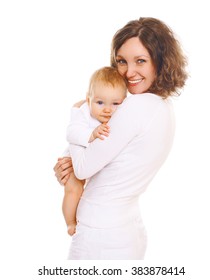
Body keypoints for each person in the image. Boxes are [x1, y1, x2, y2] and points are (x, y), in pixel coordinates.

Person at [54, 17, 187, 260]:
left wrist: (76, 122)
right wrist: (72, 162)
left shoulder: (136, 107)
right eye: (121, 61)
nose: (128, 72)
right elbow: (112, 163)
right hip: (126, 228)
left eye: (141, 61)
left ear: (160, 62)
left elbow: (82, 168)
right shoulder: (162, 106)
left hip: (101, 235)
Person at [62, 66, 127, 236]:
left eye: (115, 104)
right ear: (88, 100)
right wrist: (91, 134)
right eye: (100, 103)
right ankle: (70, 222)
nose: (107, 109)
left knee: (90, 193)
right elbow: (71, 132)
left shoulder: (121, 118)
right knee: (74, 190)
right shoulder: (83, 113)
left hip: (93, 162)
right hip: (73, 157)